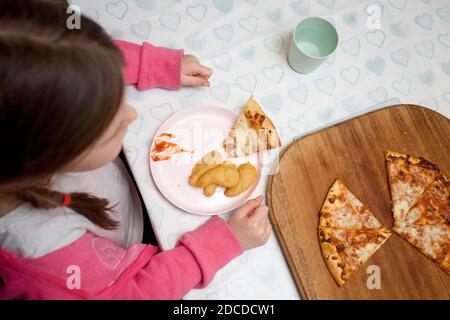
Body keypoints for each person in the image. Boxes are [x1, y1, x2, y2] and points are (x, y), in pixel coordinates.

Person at [0, 0, 271, 299]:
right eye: (111, 126)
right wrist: (220, 244)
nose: (132, 115)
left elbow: (70, 59)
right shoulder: (50, 265)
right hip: (136, 251)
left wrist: (151, 64)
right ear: (49, 157)